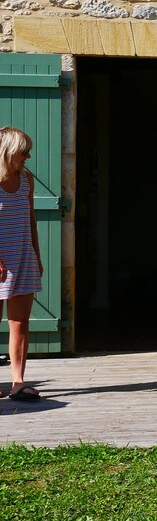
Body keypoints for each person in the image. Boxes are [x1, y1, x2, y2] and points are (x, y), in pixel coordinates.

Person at [0, 127, 43, 401]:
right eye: (23, 151)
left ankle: (18, 382)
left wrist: (36, 256)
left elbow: (30, 219)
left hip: (23, 258)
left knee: (20, 322)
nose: (28, 156)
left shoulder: (27, 180)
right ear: (7, 152)